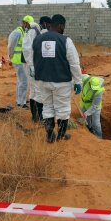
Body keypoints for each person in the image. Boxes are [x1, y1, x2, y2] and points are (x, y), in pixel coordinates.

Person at [32, 14, 83, 143]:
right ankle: (60, 136)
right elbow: (74, 63)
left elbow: (34, 59)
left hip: (41, 80)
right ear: (61, 25)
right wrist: (78, 81)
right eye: (64, 26)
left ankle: (49, 135)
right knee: (63, 109)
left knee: (47, 107)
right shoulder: (66, 41)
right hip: (61, 82)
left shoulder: (38, 39)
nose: (64, 29)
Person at [23, 16, 52, 122]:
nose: (50, 27)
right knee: (38, 90)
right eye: (49, 24)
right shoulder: (33, 31)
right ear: (45, 23)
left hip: (34, 65)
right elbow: (27, 49)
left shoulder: (37, 31)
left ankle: (35, 117)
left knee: (34, 90)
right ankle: (39, 117)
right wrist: (32, 66)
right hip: (32, 66)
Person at [7, 15, 33, 108]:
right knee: (24, 81)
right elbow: (10, 46)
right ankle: (21, 103)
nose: (30, 27)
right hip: (18, 60)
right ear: (24, 23)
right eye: (29, 24)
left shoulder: (25, 32)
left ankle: (20, 100)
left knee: (21, 81)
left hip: (23, 60)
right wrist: (10, 57)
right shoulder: (17, 32)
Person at [79, 74, 105, 138]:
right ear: (90, 83)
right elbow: (77, 76)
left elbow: (95, 106)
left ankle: (99, 137)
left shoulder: (99, 91)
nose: (94, 89)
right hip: (83, 103)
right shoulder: (86, 79)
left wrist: (87, 113)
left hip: (95, 107)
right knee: (86, 120)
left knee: (95, 123)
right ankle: (89, 130)